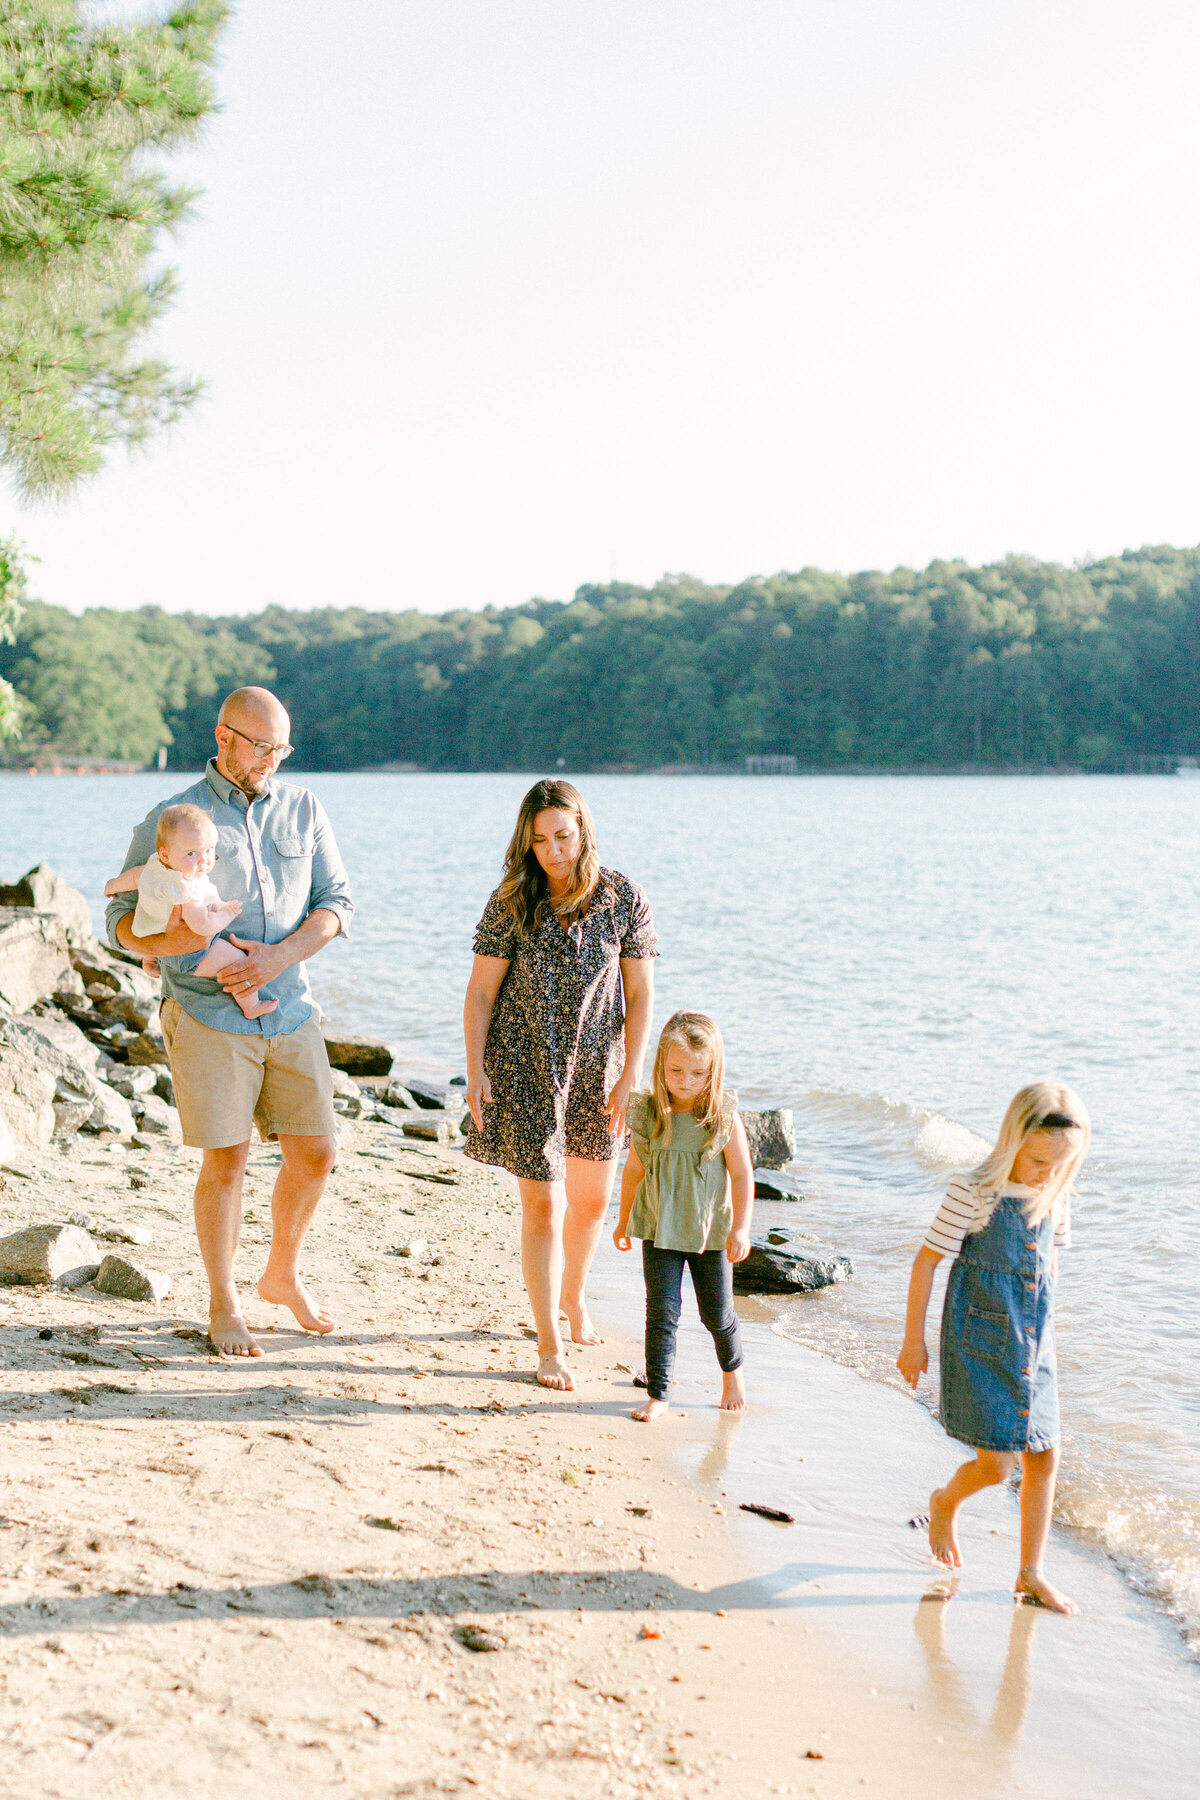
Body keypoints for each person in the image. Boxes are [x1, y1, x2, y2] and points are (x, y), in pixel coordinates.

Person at [105, 687, 354, 1358]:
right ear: (223, 738)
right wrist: (180, 945)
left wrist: (279, 958)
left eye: (282, 748)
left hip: (291, 1005)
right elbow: (119, 921)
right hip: (206, 1012)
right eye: (261, 745)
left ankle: (281, 1273)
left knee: (317, 1152)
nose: (273, 759)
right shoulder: (174, 816)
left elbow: (337, 902)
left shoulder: (305, 808)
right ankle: (223, 1304)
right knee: (228, 1160)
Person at [463, 778, 656, 1391]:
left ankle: (573, 1295)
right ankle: (548, 1343)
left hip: (599, 1067)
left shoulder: (623, 897)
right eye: (540, 839)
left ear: (583, 832)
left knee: (594, 1201)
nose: (552, 850)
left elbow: (640, 992)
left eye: (563, 837)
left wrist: (632, 1073)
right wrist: (476, 1069)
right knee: (543, 1204)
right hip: (525, 1066)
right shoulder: (512, 899)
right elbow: (481, 992)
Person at [896, 1081, 1091, 1613]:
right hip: (980, 1342)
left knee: (1047, 1453)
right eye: (1037, 1161)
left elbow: (1048, 1269)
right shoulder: (974, 1192)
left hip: (1035, 1346)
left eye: (1061, 1165)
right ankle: (945, 1502)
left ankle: (1030, 1573)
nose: (1048, 1174)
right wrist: (914, 1341)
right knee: (999, 1465)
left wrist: (1046, 1338)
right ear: (1012, 1140)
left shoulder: (1056, 1194)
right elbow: (926, 1262)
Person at [612, 1011, 754, 1422]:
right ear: (661, 1065)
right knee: (662, 1311)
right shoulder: (651, 1116)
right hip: (658, 1228)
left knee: (717, 1312)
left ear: (714, 1071)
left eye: (698, 1073)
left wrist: (741, 1228)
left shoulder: (722, 1117)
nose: (686, 1081)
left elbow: (744, 1175)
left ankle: (733, 1373)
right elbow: (634, 1172)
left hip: (710, 1233)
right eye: (676, 1070)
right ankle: (659, 1394)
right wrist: (623, 1222)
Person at [104, 804, 276, 1019]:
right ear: (166, 855)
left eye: (209, 850)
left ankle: (150, 959)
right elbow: (201, 926)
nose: (204, 860)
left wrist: (111, 886)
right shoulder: (187, 889)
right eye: (191, 853)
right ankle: (251, 1006)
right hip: (192, 954)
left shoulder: (154, 867)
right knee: (238, 962)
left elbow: (132, 877)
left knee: (153, 922)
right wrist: (228, 913)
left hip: (154, 938)